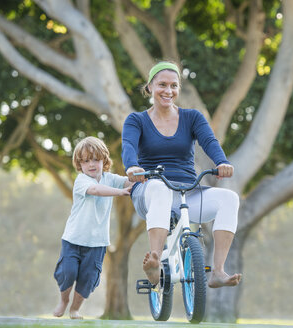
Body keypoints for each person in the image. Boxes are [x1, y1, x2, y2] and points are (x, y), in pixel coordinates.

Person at [122, 61, 242, 288]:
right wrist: (132, 167)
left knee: (230, 198)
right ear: (149, 87)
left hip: (187, 191)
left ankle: (217, 271)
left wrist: (222, 162)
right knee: (158, 187)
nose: (168, 91)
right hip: (149, 189)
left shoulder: (192, 117)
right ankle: (155, 261)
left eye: (174, 86)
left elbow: (209, 141)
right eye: (162, 85)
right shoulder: (136, 120)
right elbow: (128, 146)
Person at [53, 136, 133, 319]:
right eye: (86, 160)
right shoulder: (82, 181)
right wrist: (120, 192)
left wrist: (138, 179)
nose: (91, 164)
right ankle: (64, 301)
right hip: (73, 239)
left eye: (96, 159)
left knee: (88, 279)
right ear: (79, 164)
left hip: (97, 242)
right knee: (68, 272)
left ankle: (74, 308)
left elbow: (128, 182)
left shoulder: (110, 179)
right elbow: (96, 190)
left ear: (104, 160)